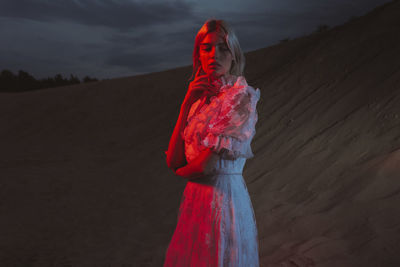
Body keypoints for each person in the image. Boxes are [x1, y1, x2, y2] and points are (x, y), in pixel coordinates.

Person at [164, 18, 261, 266]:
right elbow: (174, 158)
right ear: (198, 54)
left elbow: (204, 166)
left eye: (222, 48)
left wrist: (179, 172)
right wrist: (187, 101)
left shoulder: (240, 97)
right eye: (206, 48)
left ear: (234, 54)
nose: (213, 55)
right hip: (195, 204)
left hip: (222, 202)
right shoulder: (200, 100)